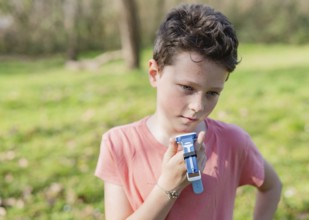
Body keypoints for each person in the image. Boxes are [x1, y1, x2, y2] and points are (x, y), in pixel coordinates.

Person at [95, 3, 282, 220]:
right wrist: (168, 187)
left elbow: (272, 186)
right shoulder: (120, 144)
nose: (198, 106)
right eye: (187, 88)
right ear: (155, 73)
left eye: (212, 93)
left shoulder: (233, 141)